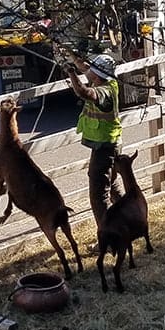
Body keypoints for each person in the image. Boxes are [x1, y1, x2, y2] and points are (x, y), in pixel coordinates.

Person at [63, 52, 122, 229]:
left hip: (104, 146)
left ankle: (108, 235)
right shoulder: (109, 82)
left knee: (99, 194)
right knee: (111, 185)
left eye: (92, 69)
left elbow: (83, 91)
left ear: (97, 75)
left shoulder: (103, 92)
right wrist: (71, 56)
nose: (87, 70)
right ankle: (127, 217)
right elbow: (86, 67)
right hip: (110, 143)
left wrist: (71, 73)